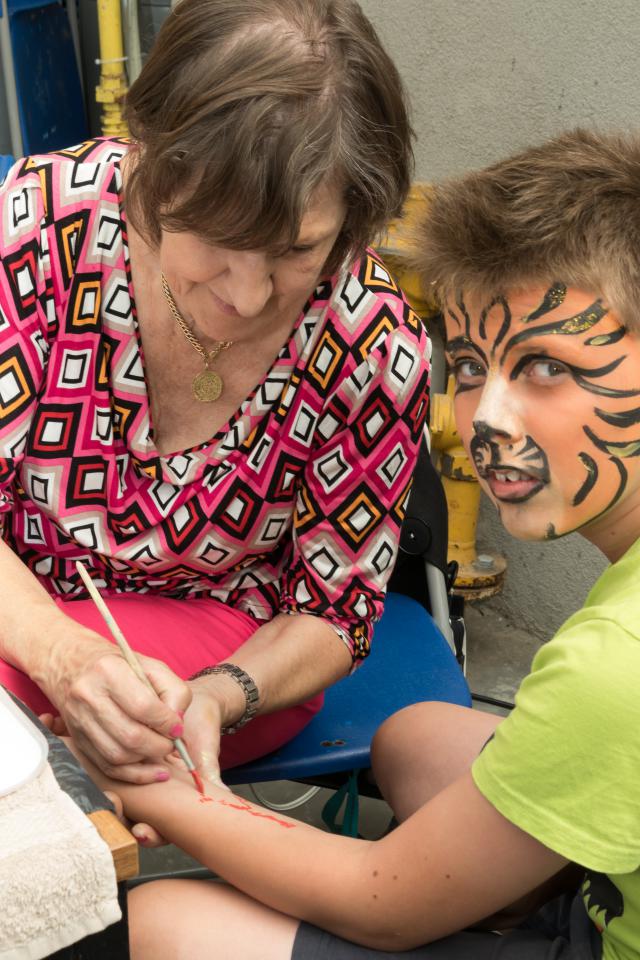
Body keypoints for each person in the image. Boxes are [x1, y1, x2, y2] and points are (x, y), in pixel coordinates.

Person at [71, 128, 640, 960]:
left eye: (547, 367)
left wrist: (164, 795)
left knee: (166, 921)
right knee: (416, 733)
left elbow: (383, 905)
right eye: (473, 365)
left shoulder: (613, 668)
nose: (484, 419)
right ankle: (525, 891)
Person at [0, 0, 430, 789]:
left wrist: (216, 697)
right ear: (150, 160)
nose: (249, 293)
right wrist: (61, 653)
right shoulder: (38, 227)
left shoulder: (371, 339)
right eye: (218, 238)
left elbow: (334, 613)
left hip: (232, 656)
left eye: (298, 249)